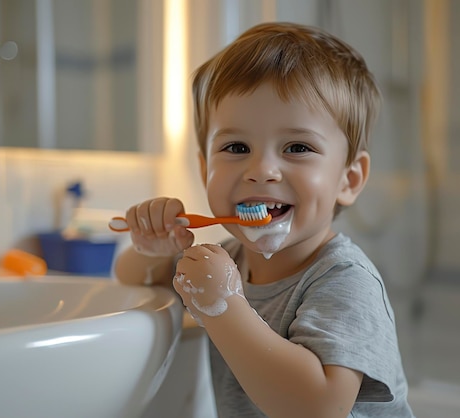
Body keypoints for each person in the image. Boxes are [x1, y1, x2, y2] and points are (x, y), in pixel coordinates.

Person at [115, 22, 414, 418]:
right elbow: (131, 277)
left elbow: (320, 406)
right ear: (204, 166)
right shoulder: (227, 260)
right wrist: (153, 250)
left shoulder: (344, 280)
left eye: (297, 147)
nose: (262, 170)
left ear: (349, 178)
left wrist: (224, 307)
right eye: (236, 147)